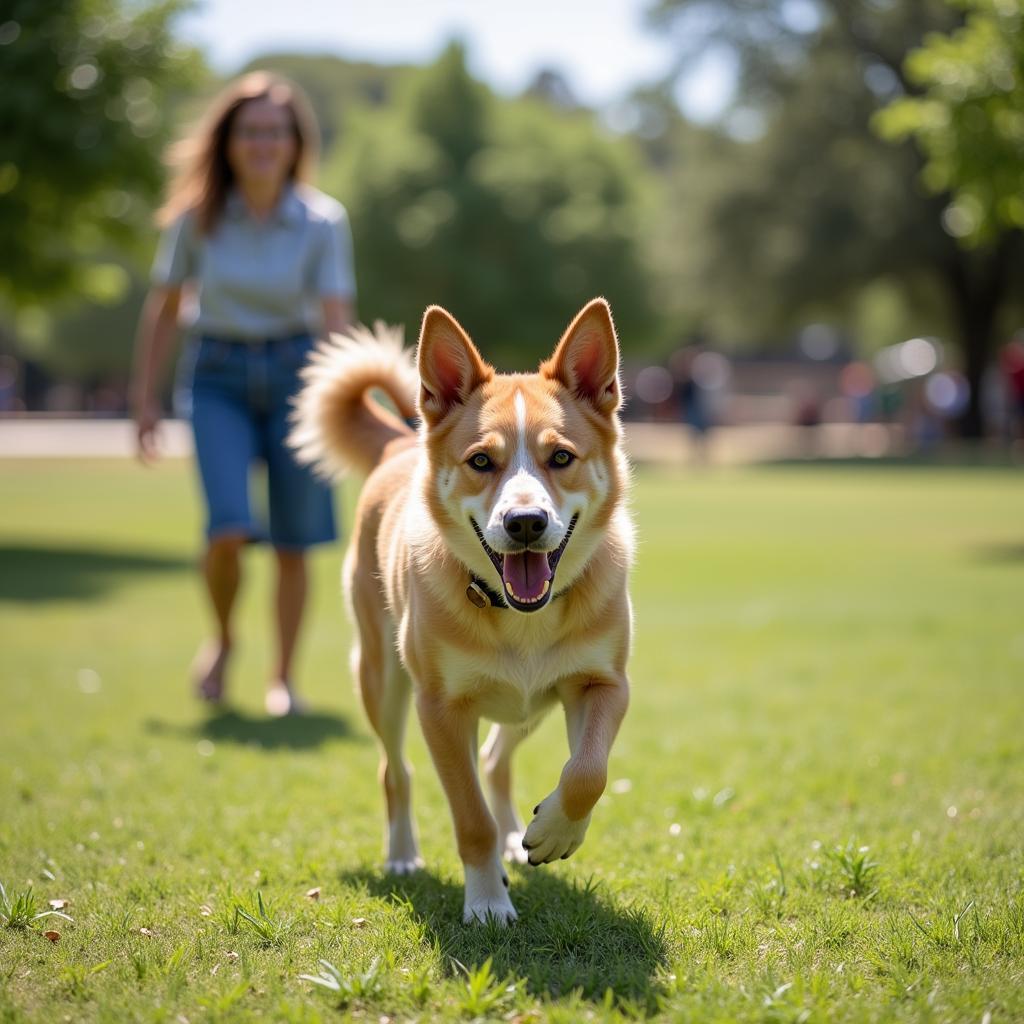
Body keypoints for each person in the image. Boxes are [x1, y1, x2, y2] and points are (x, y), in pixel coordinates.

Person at [130, 72, 356, 716]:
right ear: (228, 142)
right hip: (217, 376)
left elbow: (336, 316)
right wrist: (144, 399)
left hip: (299, 378)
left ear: (294, 144)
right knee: (227, 528)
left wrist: (350, 401)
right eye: (251, 131)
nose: (263, 143)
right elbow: (165, 309)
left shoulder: (322, 221)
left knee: (293, 542)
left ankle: (282, 679)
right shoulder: (194, 219)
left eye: (275, 132)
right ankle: (224, 639)